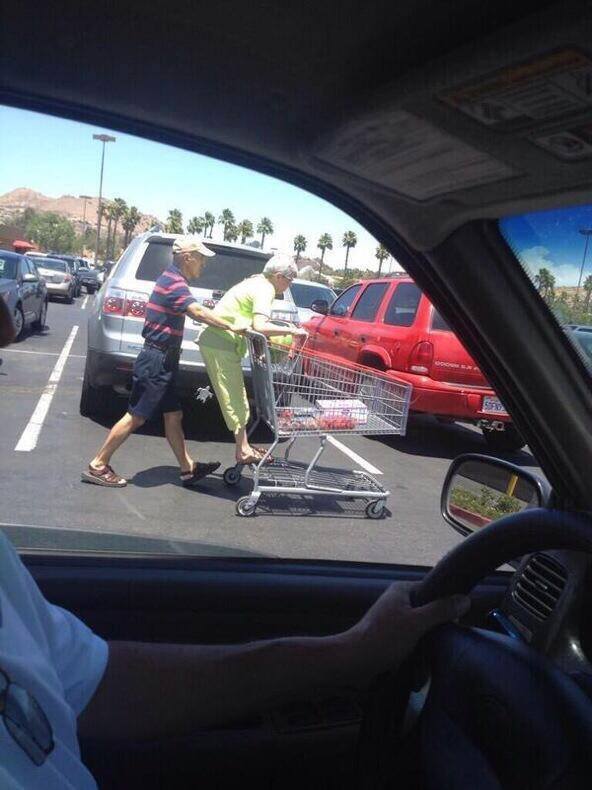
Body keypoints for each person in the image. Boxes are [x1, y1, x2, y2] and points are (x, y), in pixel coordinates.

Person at [82, 236, 242, 488]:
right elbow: (197, 312)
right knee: (136, 416)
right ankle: (98, 464)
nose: (203, 264)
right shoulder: (174, 282)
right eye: (200, 259)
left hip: (163, 360)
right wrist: (232, 326)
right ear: (187, 257)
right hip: (156, 360)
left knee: (173, 414)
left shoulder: (172, 279)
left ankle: (187, 468)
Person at [198, 253, 306, 464]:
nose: (289, 285)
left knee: (236, 395)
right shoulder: (265, 289)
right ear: (278, 276)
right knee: (234, 397)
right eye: (289, 279)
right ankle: (243, 450)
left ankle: (244, 446)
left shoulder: (257, 282)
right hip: (219, 343)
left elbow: (253, 322)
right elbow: (260, 326)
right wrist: (293, 331)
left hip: (220, 341)